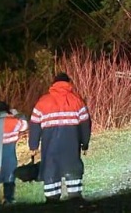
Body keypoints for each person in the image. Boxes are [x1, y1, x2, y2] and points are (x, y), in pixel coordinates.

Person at [29, 73, 91, 203]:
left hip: (50, 144)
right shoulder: (76, 100)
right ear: (68, 83)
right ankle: (75, 196)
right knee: (72, 166)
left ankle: (52, 198)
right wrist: (85, 143)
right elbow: (85, 123)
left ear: (53, 84)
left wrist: (33, 145)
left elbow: (34, 124)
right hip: (71, 143)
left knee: (51, 168)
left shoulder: (43, 102)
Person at [0, 101, 28, 205]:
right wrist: (17, 115)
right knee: (9, 176)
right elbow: (24, 126)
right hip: (10, 154)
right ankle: (8, 199)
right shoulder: (13, 121)